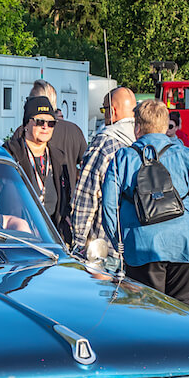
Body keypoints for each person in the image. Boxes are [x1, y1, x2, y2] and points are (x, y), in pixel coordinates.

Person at [101, 98, 189, 308]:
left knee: (145, 310)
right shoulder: (186, 155)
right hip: (185, 244)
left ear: (137, 127)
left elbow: (108, 206)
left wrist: (118, 242)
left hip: (141, 246)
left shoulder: (122, 157)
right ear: (165, 126)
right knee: (184, 308)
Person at [70, 86, 137, 256]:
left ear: (112, 111)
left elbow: (87, 194)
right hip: (137, 244)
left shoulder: (105, 143)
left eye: (104, 109)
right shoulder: (144, 140)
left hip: (105, 244)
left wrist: (78, 242)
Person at [5, 96, 73, 244]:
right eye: (39, 122)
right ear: (26, 124)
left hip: (50, 239)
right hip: (18, 239)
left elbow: (66, 198)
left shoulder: (59, 158)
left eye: (51, 123)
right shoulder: (10, 155)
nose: (45, 127)